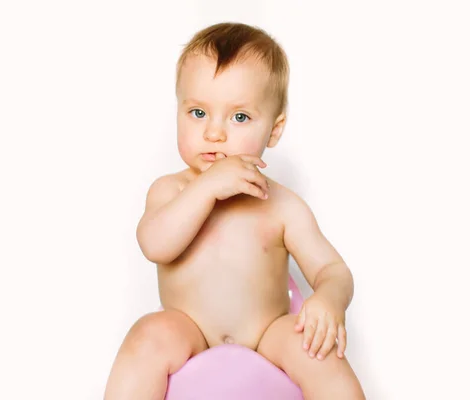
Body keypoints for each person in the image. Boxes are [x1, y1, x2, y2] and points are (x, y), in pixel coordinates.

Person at [104, 22, 365, 400]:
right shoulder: (170, 191)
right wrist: (207, 187)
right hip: (188, 332)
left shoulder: (281, 206)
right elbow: (155, 245)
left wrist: (329, 298)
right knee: (148, 336)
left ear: (274, 131)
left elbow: (332, 269)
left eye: (239, 117)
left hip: (266, 335)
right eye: (197, 113)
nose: (214, 133)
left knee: (318, 355)